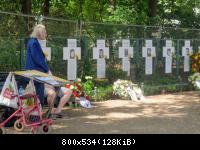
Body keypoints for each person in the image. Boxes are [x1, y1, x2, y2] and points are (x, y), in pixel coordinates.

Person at [25, 24, 49, 106]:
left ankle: (36, 114)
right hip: (36, 73)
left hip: (34, 72)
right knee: (38, 93)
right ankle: (37, 114)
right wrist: (47, 69)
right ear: (40, 33)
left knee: (35, 93)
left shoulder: (33, 42)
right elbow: (38, 59)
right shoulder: (34, 43)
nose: (46, 34)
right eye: (44, 32)